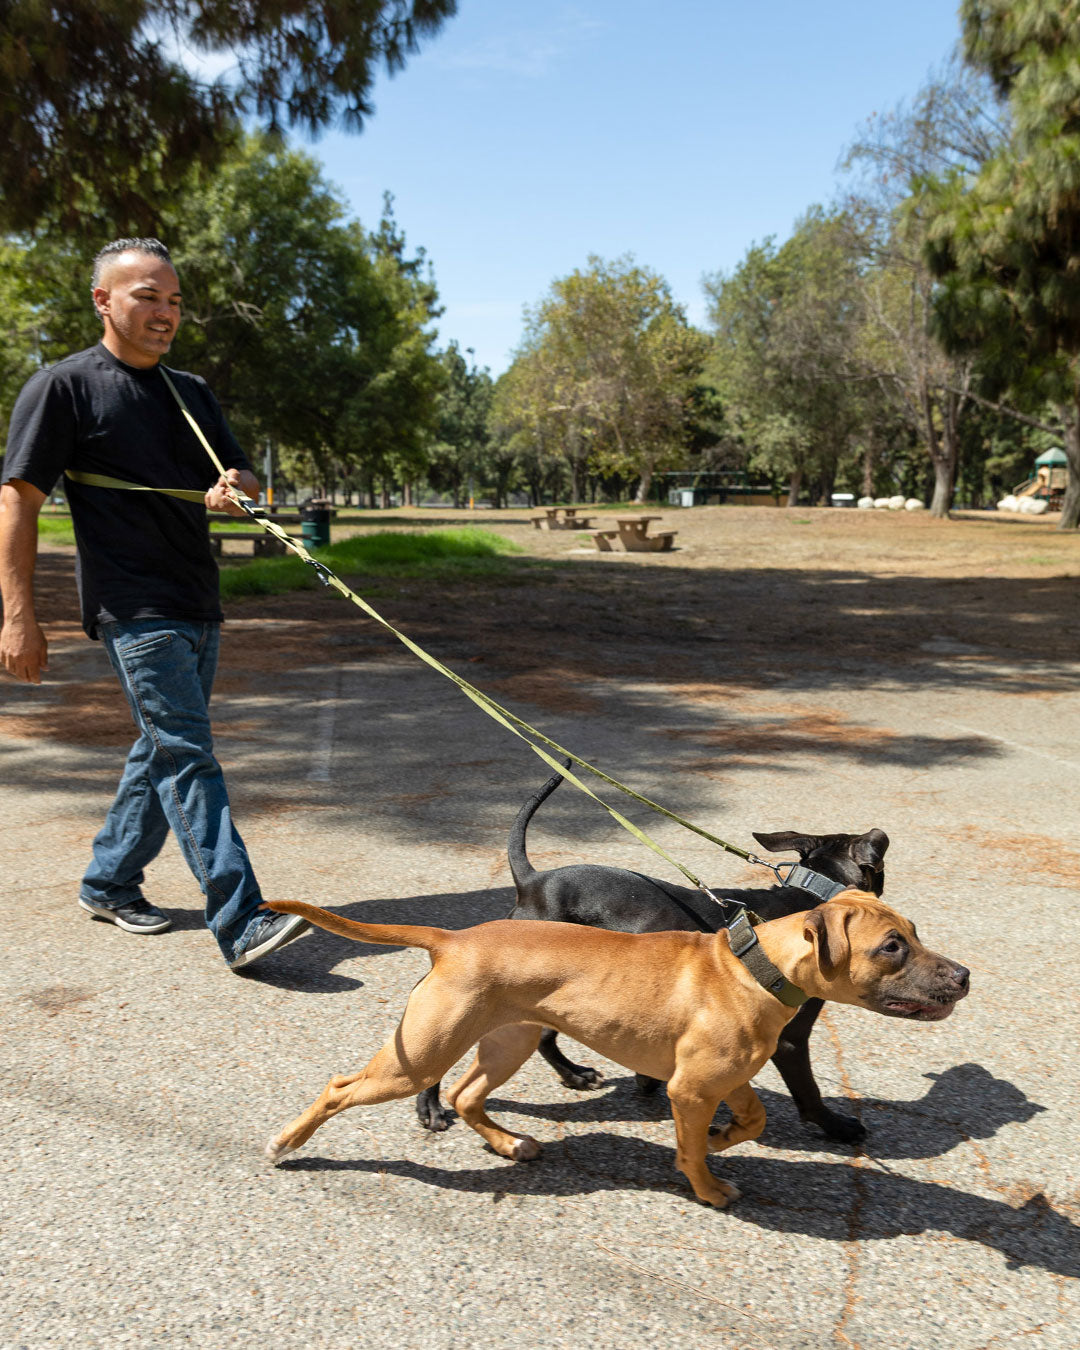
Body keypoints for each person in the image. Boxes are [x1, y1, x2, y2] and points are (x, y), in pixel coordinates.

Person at [0, 237, 309, 970]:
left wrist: (237, 488)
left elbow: (240, 476)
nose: (165, 312)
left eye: (173, 299)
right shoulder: (63, 386)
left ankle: (108, 880)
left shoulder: (190, 391)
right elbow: (17, 500)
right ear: (103, 300)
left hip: (198, 599)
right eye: (147, 295)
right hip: (131, 605)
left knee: (162, 749)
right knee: (187, 755)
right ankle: (242, 919)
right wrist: (17, 614)